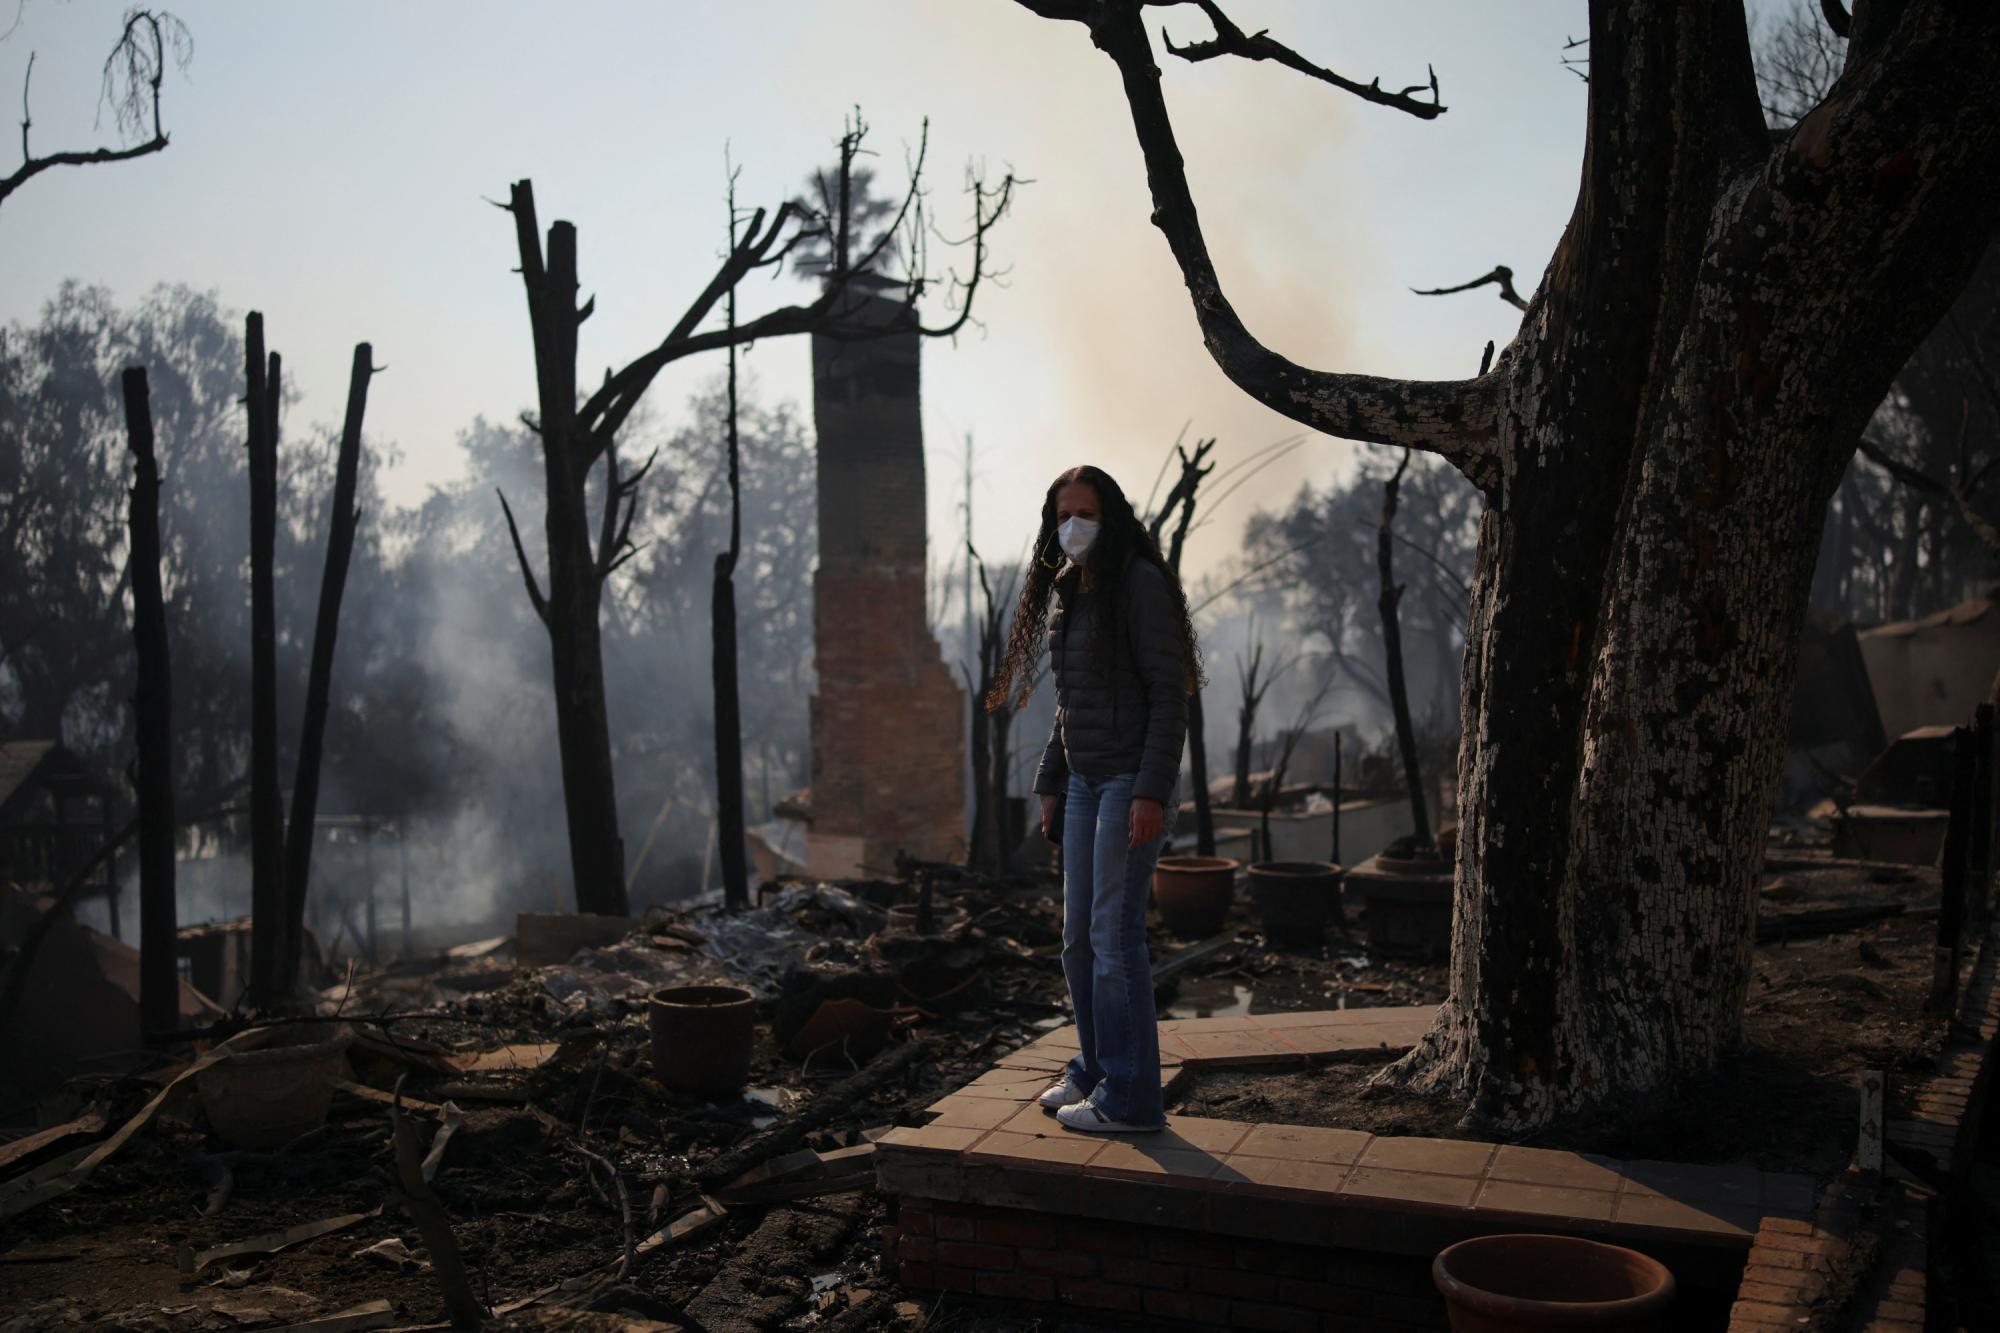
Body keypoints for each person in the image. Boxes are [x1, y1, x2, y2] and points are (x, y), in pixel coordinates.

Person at [986, 464, 1200, 1132]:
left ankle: (1132, 1098)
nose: (1071, 526)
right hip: (1082, 783)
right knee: (1077, 939)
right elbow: (1069, 702)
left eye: (1084, 513)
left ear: (1112, 517)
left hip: (1127, 783)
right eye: (1061, 514)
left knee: (1114, 939)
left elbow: (1170, 695)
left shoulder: (1138, 583)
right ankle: (1097, 1066)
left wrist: (1151, 791)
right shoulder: (1067, 588)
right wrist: (1052, 781)